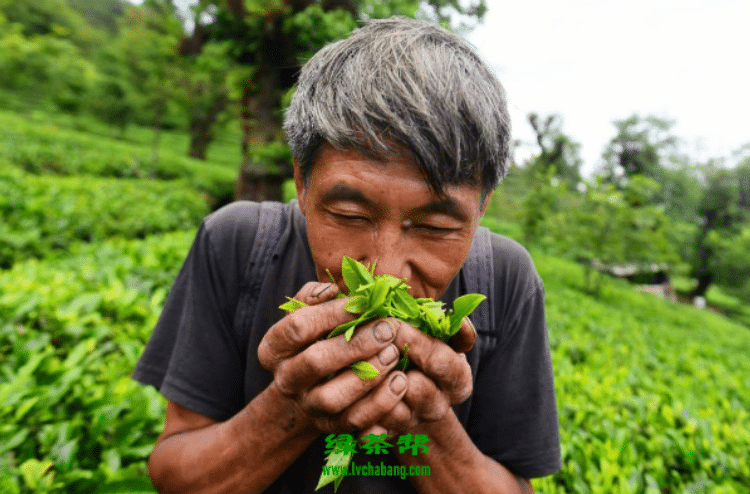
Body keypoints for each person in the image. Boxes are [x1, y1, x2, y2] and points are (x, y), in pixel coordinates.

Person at [132, 16, 561, 494]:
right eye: (351, 215)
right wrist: (291, 408)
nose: (385, 272)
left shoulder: (506, 280)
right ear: (302, 181)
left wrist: (424, 421)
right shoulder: (236, 244)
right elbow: (176, 473)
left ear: (481, 211)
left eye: (436, 227)